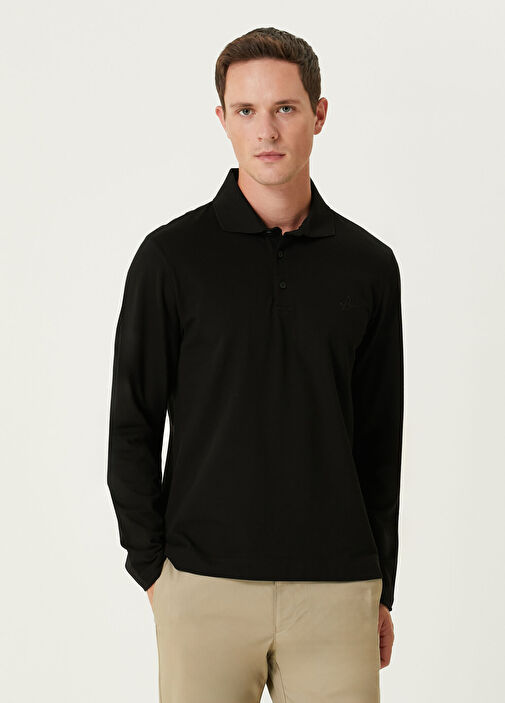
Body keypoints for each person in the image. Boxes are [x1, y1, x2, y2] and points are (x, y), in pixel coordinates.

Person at [107, 26, 404, 703]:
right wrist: (154, 572)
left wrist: (380, 587)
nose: (265, 130)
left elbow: (378, 437)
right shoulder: (171, 258)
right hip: (202, 586)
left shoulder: (367, 266)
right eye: (246, 110)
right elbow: (132, 422)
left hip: (336, 593)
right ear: (222, 119)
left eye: (284, 108)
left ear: (318, 115)